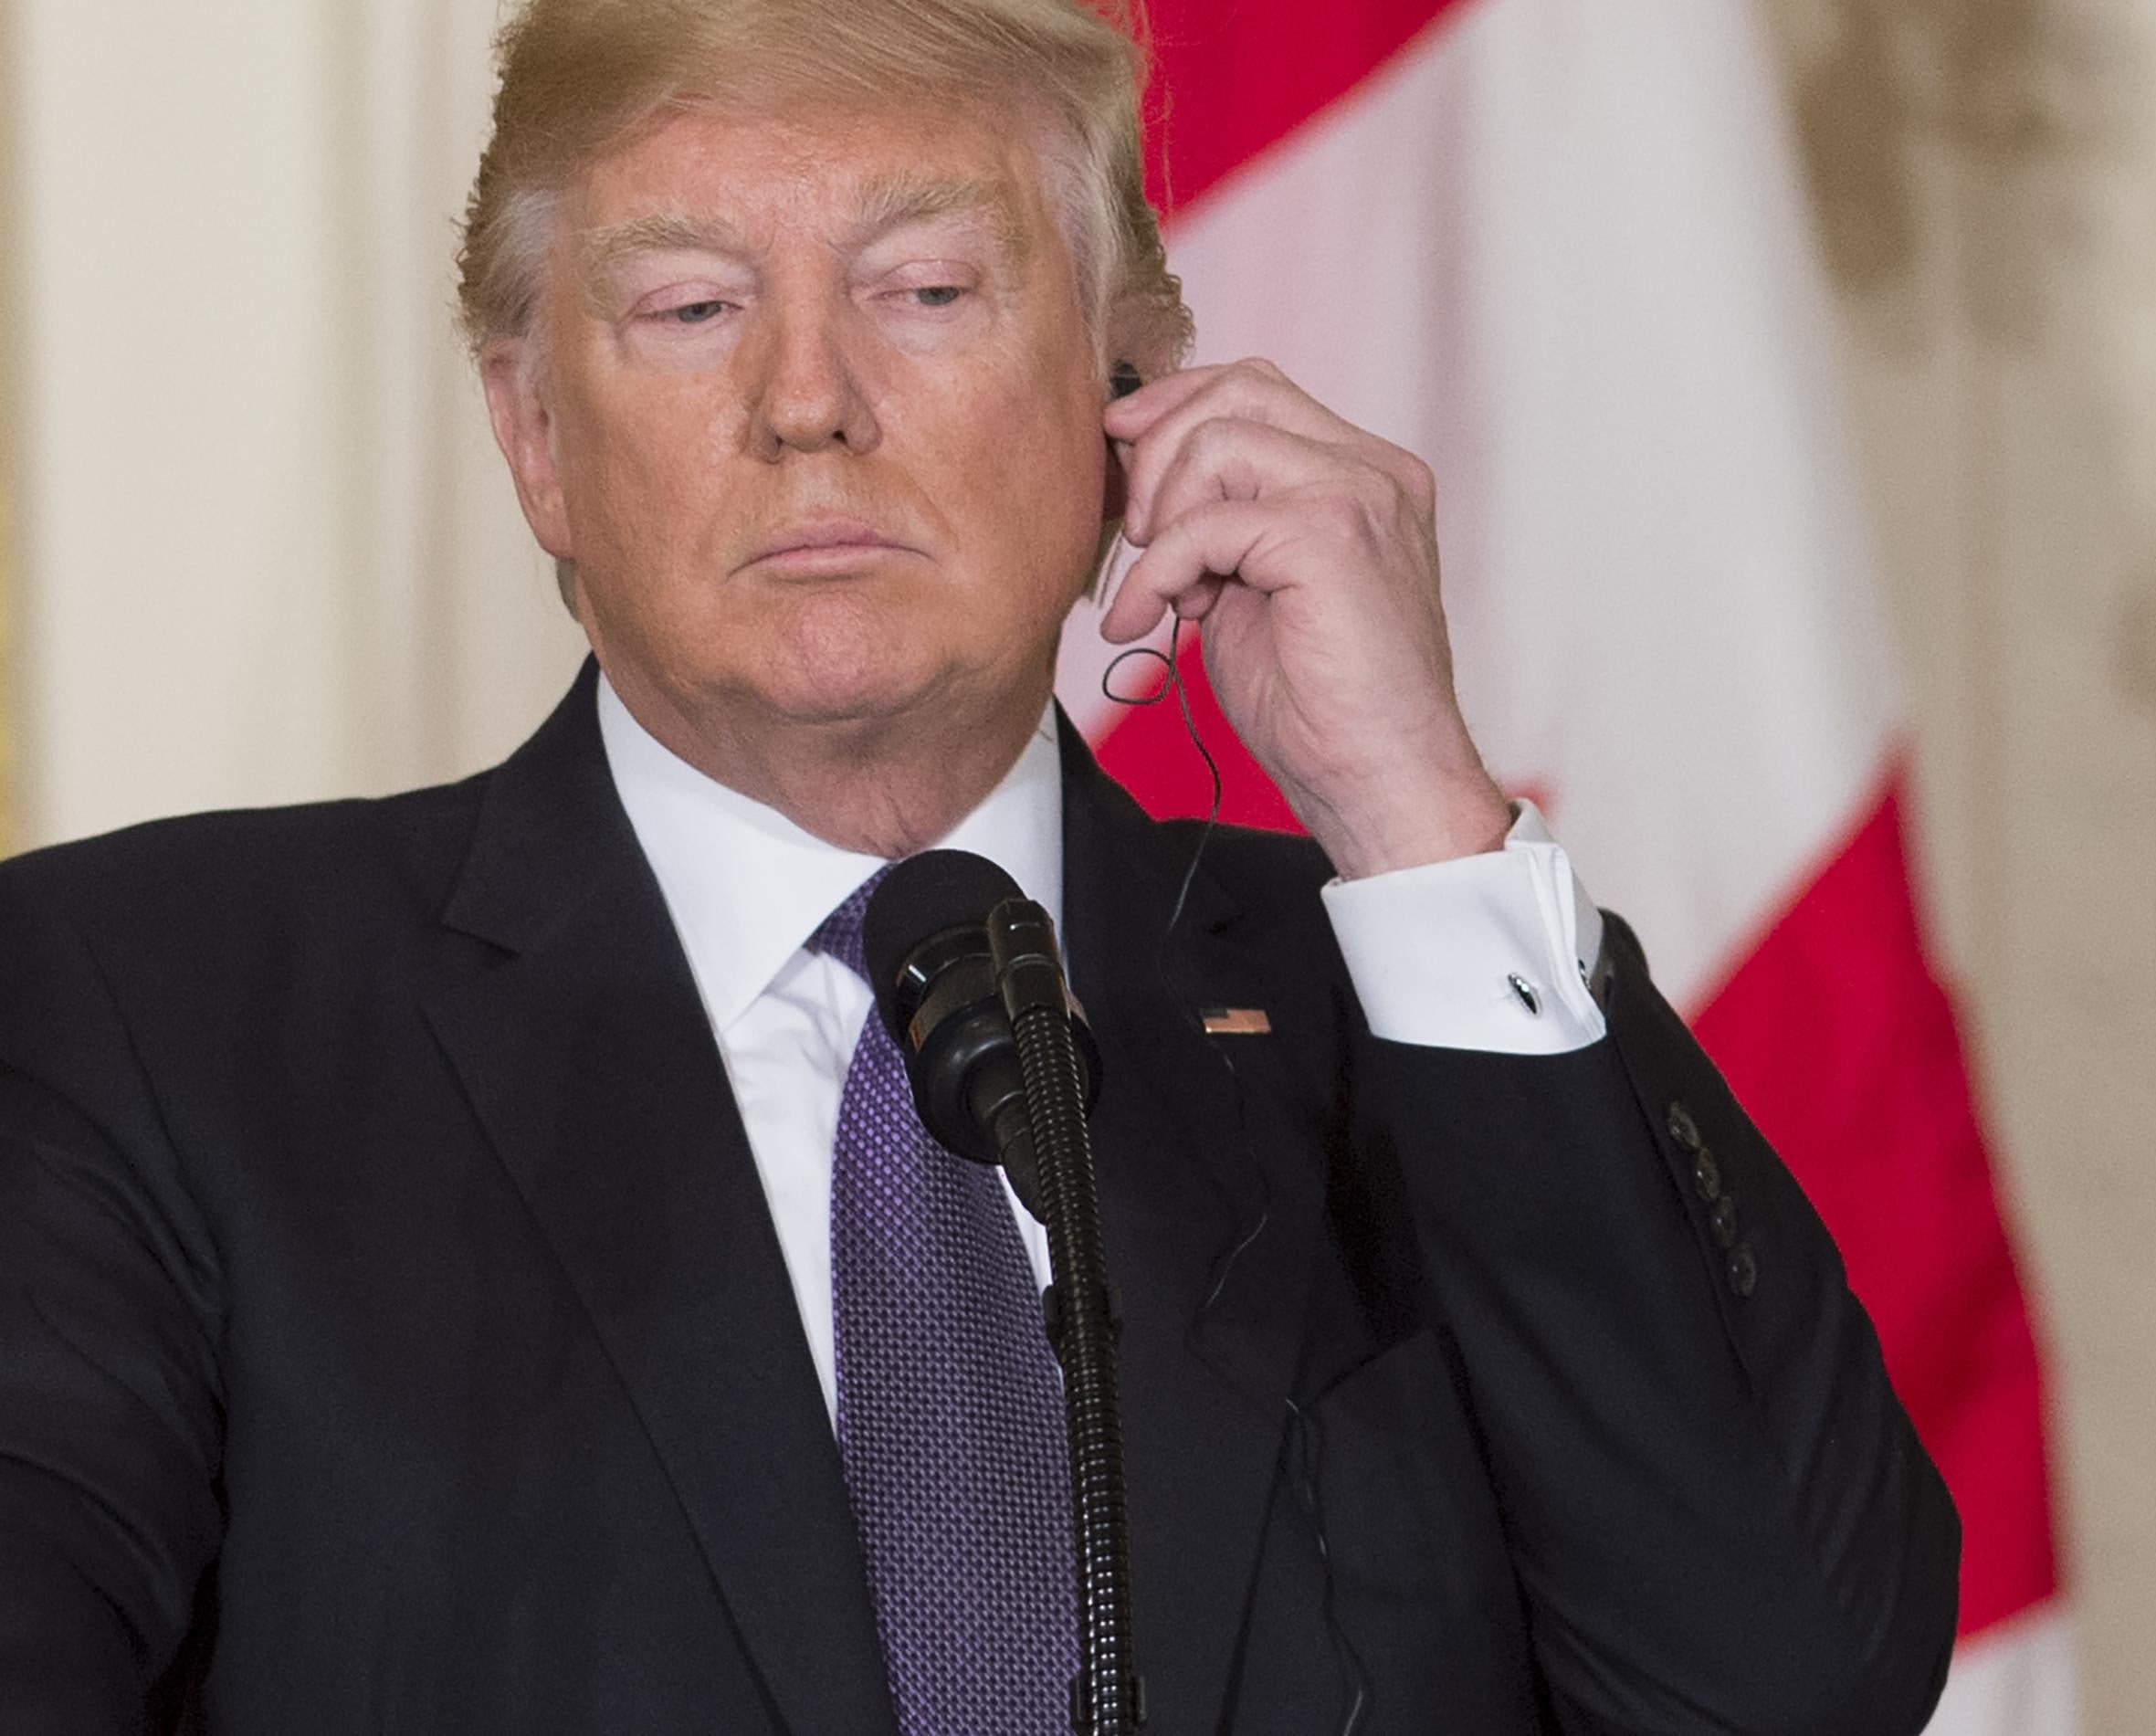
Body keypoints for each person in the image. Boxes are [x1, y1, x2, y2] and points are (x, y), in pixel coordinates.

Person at [0, 0, 1960, 1730]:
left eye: (925, 289)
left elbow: (1779, 1682)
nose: (806, 401)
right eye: (689, 309)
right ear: (534, 440)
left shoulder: (1401, 998)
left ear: (1129, 401)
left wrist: (1410, 808)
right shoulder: (140, 1012)